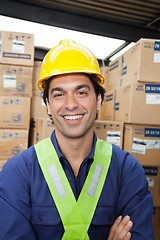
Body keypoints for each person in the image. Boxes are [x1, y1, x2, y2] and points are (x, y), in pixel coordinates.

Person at [0, 39, 153, 240]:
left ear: (98, 100)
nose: (71, 104)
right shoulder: (18, 173)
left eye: (81, 92)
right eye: (59, 95)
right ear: (47, 104)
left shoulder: (127, 171)